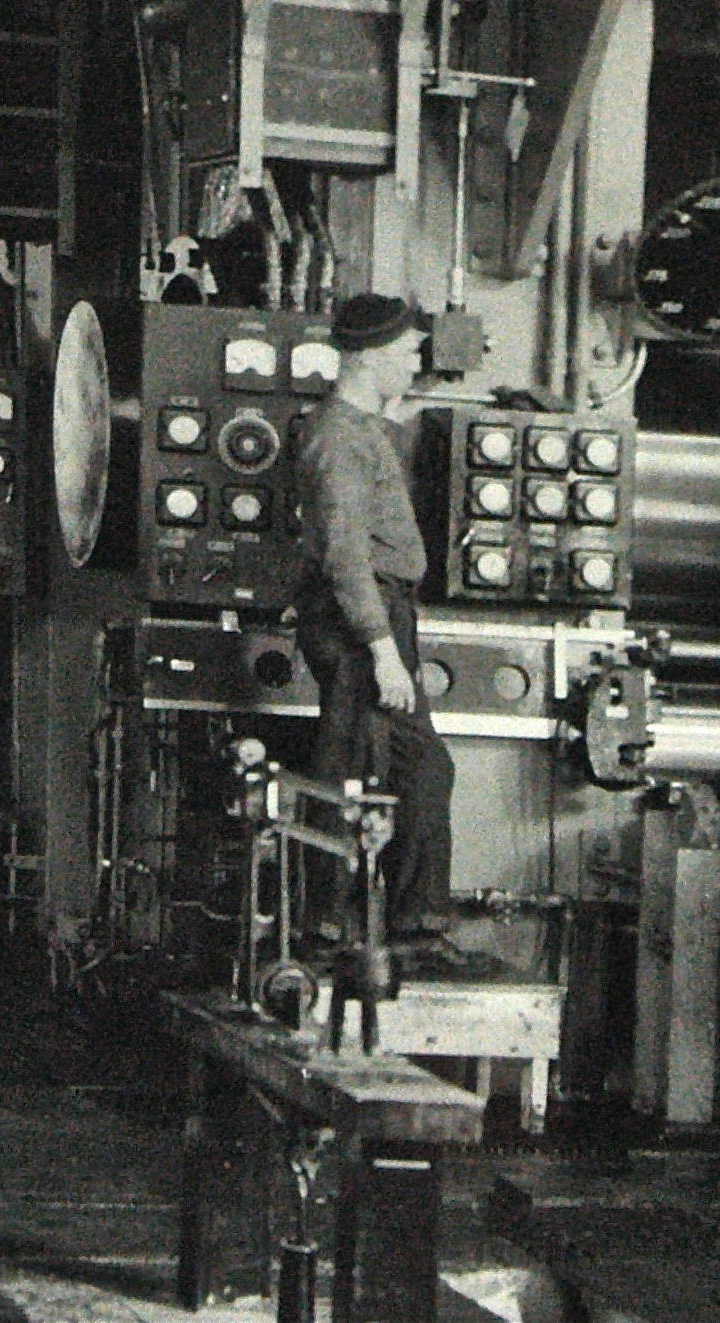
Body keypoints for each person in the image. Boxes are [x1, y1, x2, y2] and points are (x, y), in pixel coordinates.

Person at [293, 293, 461, 966]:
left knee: (398, 765)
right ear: (367, 358)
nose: (416, 362)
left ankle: (389, 923)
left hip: (381, 615)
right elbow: (344, 554)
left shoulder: (355, 426)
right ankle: (338, 927)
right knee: (354, 768)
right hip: (364, 618)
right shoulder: (338, 439)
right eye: (407, 354)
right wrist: (384, 652)